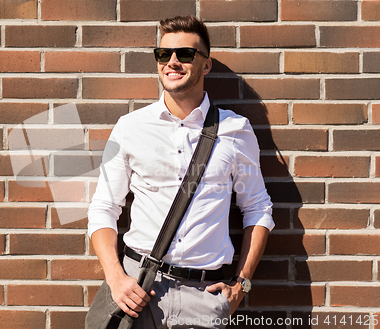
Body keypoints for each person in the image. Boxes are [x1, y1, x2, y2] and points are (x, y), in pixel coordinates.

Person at [87, 15, 274, 329]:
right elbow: (103, 208)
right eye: (164, 54)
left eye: (185, 54)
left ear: (206, 64)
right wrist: (116, 278)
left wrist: (242, 286)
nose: (172, 62)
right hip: (137, 290)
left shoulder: (235, 130)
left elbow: (257, 208)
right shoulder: (131, 127)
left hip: (204, 298)